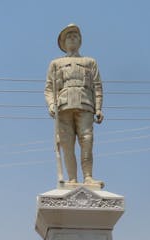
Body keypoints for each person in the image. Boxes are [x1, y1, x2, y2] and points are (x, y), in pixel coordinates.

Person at [44, 23, 104, 187]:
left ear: (80, 41)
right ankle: (72, 179)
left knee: (87, 141)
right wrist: (51, 104)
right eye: (68, 36)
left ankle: (88, 177)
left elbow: (97, 86)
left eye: (75, 36)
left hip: (85, 105)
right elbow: (49, 88)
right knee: (67, 144)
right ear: (63, 43)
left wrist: (98, 108)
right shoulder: (55, 64)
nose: (72, 38)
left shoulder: (90, 62)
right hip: (63, 107)